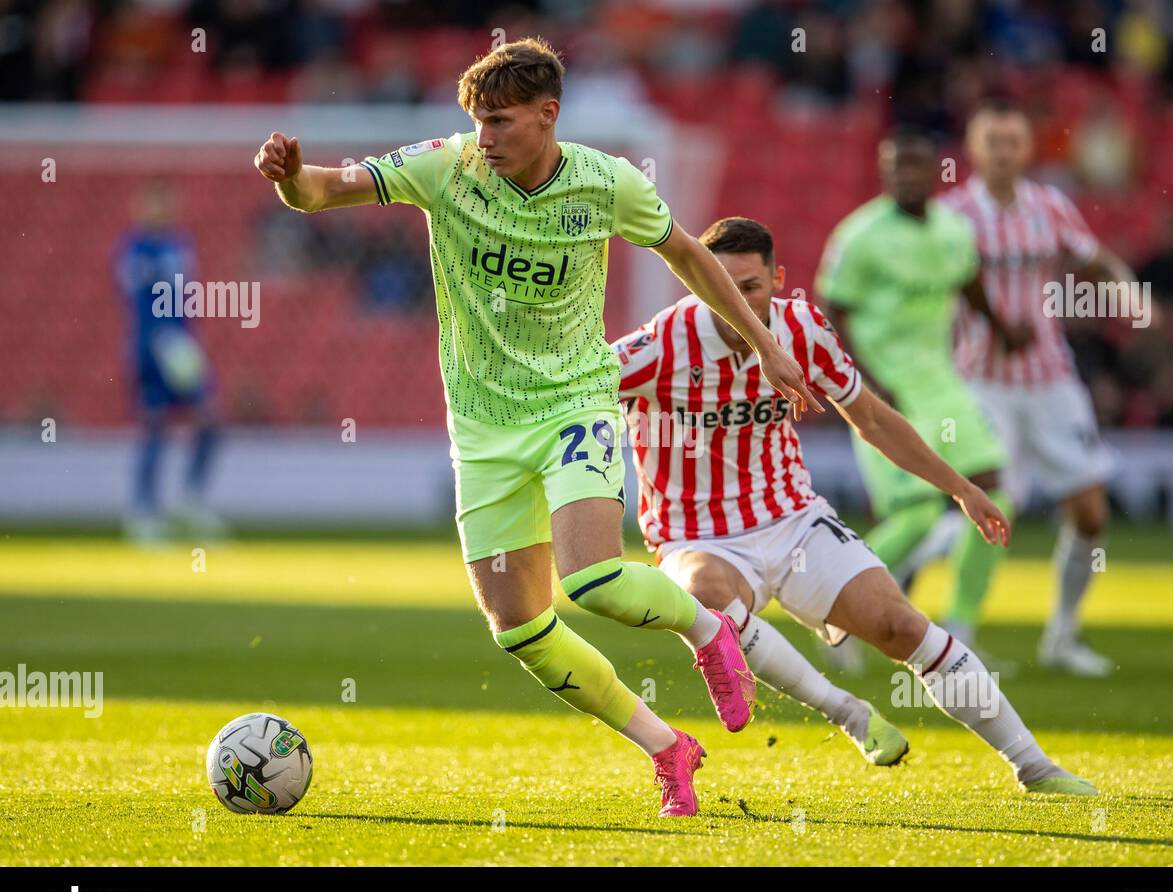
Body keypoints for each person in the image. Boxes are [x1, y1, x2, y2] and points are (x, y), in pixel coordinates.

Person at [252, 37, 822, 818]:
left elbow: (688, 255)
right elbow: (324, 192)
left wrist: (766, 345)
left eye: (499, 121)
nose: (483, 137)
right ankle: (668, 748)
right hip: (483, 430)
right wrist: (290, 181)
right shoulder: (446, 166)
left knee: (593, 580)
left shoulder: (605, 182)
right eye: (478, 121)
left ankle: (709, 632)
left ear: (547, 115)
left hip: (573, 405)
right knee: (517, 627)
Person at [615, 216, 1097, 795]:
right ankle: (850, 712)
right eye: (720, 286)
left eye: (751, 287)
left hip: (792, 519)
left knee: (901, 626)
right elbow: (568, 386)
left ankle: (1036, 768)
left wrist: (961, 487)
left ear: (778, 280)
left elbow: (870, 418)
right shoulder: (662, 342)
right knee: (704, 596)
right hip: (696, 536)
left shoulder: (803, 329)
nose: (735, 303)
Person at [942, 100, 1144, 676]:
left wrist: (1128, 290)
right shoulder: (954, 215)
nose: (1003, 153)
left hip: (1051, 379)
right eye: (993, 143)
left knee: (1091, 515)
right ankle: (960, 636)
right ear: (975, 151)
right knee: (990, 505)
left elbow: (1093, 257)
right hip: (982, 382)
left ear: (1027, 150)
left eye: (1013, 142)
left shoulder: (1050, 206)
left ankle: (1062, 635)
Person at [815, 129, 1025, 661]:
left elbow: (969, 283)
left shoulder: (955, 230)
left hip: (944, 385)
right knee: (917, 516)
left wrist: (1002, 328)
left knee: (996, 497)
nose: (906, 176)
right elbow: (829, 313)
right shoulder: (859, 236)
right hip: (885, 395)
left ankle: (962, 627)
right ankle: (834, 617)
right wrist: (862, 383)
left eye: (915, 166)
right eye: (895, 167)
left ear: (935, 172)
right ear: (884, 173)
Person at [115, 183, 223, 544]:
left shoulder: (180, 244)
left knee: (210, 418)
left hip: (181, 344)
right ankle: (143, 512)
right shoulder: (135, 250)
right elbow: (136, 300)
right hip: (151, 345)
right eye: (155, 204)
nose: (162, 211)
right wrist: (155, 342)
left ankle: (190, 500)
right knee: (155, 426)